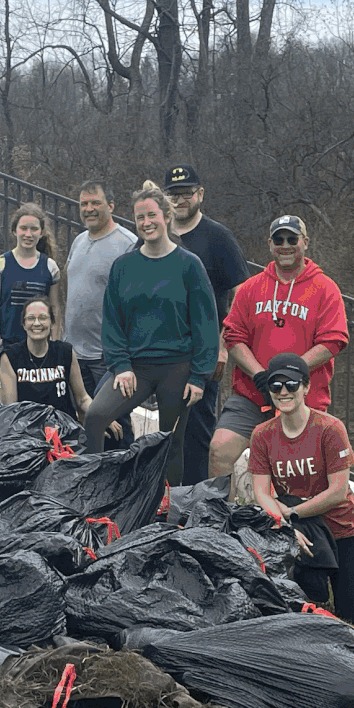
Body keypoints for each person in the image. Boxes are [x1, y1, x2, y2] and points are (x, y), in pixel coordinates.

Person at [247, 350, 354, 628]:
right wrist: (284, 526)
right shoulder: (262, 434)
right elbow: (260, 492)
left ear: (306, 387)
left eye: (291, 384)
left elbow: (337, 491)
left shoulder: (329, 429)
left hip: (344, 530)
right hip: (302, 531)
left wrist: (292, 512)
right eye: (276, 386)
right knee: (299, 607)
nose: (283, 392)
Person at [80, 182, 218, 478]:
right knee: (95, 416)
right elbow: (113, 321)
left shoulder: (188, 265)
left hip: (177, 367)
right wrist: (121, 366)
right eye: (140, 217)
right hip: (135, 368)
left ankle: (171, 511)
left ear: (166, 216)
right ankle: (92, 485)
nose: (146, 223)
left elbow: (205, 324)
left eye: (152, 215)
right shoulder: (124, 266)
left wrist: (199, 377)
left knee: (172, 441)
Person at [210, 212, 350, 479]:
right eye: (279, 240)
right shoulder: (251, 288)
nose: (285, 245)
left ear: (305, 242)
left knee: (300, 473)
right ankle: (218, 517)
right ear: (270, 245)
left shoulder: (325, 288)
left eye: (292, 239)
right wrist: (260, 375)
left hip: (302, 399)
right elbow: (233, 336)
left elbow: (333, 340)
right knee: (220, 449)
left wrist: (290, 372)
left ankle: (295, 518)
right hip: (252, 395)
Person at [161, 164, 249, 479]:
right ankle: (164, 503)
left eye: (186, 193)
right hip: (163, 353)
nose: (180, 200)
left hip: (203, 356)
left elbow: (242, 294)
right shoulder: (161, 234)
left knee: (196, 434)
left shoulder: (218, 237)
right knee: (167, 433)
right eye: (173, 194)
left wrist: (224, 347)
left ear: (200, 195)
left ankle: (194, 508)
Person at [62, 181, 135, 395]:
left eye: (95, 202)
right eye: (84, 203)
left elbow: (134, 304)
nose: (88, 209)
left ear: (110, 206)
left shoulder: (127, 244)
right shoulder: (78, 241)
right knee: (80, 420)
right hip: (75, 354)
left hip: (108, 357)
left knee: (115, 422)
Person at [0, 202, 61, 364]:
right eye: (23, 228)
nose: (28, 234)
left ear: (41, 233)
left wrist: (55, 344)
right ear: (14, 230)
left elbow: (55, 309)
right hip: (7, 345)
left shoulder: (50, 267)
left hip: (40, 348)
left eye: (34, 229)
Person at [0, 297, 88, 415]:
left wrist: (101, 416)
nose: (37, 323)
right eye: (31, 318)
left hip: (64, 426)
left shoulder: (65, 352)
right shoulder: (10, 356)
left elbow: (82, 399)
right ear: (23, 324)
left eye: (43, 318)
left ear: (52, 323)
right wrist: (40, 414)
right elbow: (12, 410)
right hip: (26, 426)